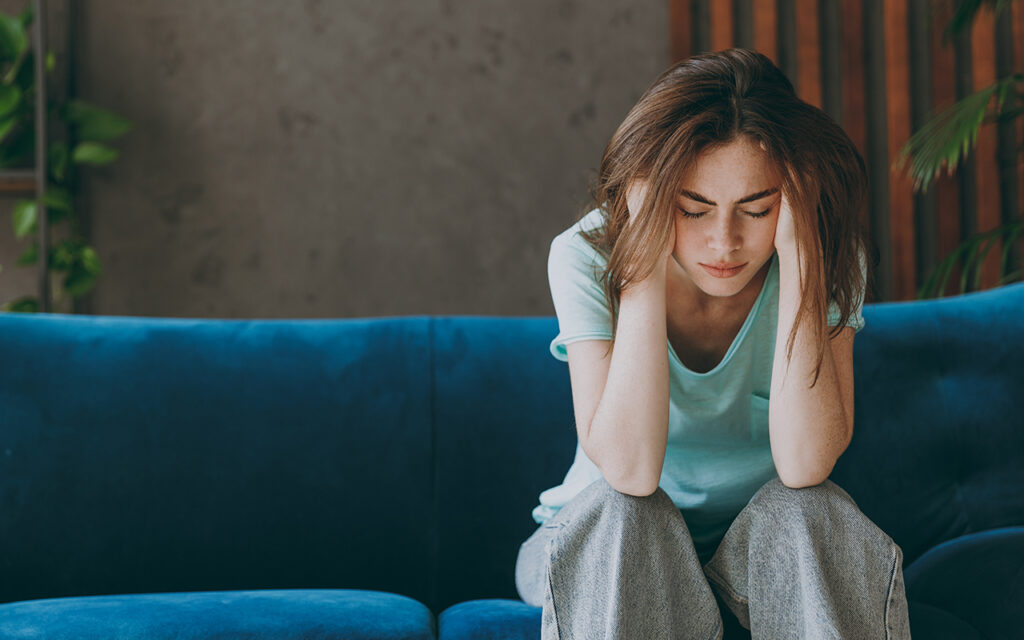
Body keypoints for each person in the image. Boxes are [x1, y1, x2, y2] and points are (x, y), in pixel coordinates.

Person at [515, 48, 912, 639]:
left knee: (811, 510)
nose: (722, 243)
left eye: (757, 209)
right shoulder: (583, 255)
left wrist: (802, 252)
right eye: (692, 210)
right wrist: (643, 255)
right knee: (626, 513)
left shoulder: (824, 255)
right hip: (608, 538)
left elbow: (805, 465)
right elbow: (628, 470)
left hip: (763, 547)